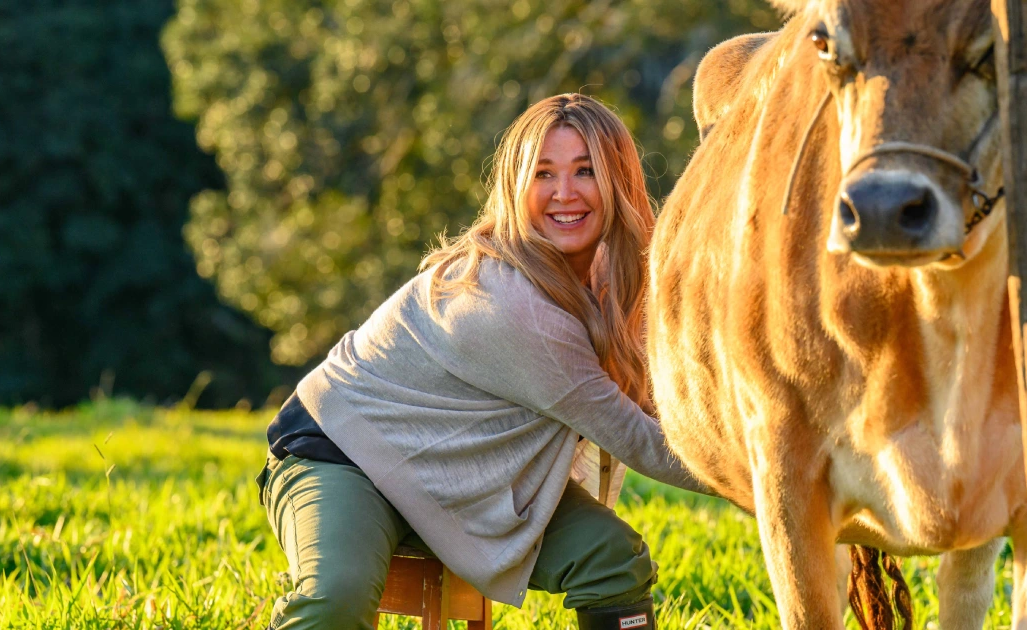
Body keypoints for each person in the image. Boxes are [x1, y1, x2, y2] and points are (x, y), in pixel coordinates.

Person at [256, 93, 710, 630]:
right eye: (543, 174)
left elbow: (677, 401)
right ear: (517, 188)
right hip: (345, 455)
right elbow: (637, 437)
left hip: (471, 476)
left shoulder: (615, 280)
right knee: (337, 599)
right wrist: (781, 481)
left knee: (609, 558)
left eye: (585, 170)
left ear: (619, 182)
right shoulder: (514, 305)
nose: (565, 193)